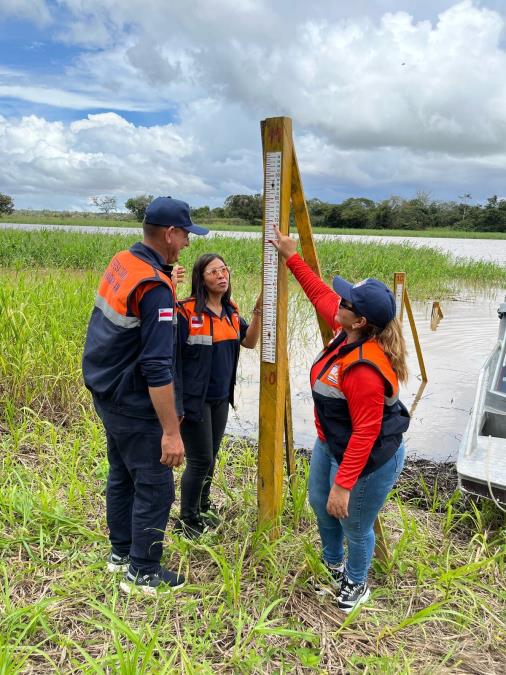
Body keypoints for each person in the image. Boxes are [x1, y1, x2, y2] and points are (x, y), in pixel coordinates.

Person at [271, 227, 410, 613]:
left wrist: (344, 485)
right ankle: (334, 566)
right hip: (332, 443)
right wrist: (290, 255)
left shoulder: (365, 368)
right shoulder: (345, 333)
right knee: (320, 503)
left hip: (366, 458)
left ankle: (356, 583)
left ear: (360, 320)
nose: (340, 302)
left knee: (354, 524)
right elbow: (320, 293)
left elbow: (366, 433)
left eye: (347, 301)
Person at [82, 196, 209, 595]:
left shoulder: (126, 262)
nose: (188, 242)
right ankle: (142, 571)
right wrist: (171, 432)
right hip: (135, 401)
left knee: (122, 474)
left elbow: (135, 310)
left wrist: (166, 282)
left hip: (107, 390)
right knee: (155, 484)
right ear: (170, 234)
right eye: (186, 233)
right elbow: (157, 366)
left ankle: (120, 554)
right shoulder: (154, 288)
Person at [177, 253, 261, 537]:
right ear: (200, 278)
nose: (221, 276)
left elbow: (249, 343)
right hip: (194, 400)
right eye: (213, 272)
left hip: (220, 398)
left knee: (211, 456)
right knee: (200, 460)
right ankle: (187, 520)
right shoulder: (185, 311)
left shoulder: (232, 311)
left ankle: (203, 506)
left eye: (224, 270)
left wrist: (259, 312)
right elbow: (170, 358)